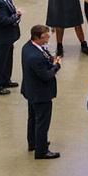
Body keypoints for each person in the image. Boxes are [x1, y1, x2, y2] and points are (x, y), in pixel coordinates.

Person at [21, 25, 62, 159]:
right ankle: (42, 151)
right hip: (41, 94)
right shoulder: (35, 57)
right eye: (45, 36)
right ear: (37, 37)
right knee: (42, 122)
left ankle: (34, 142)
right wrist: (56, 66)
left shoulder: (28, 47)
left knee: (32, 118)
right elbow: (46, 75)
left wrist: (50, 60)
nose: (48, 37)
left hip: (31, 90)